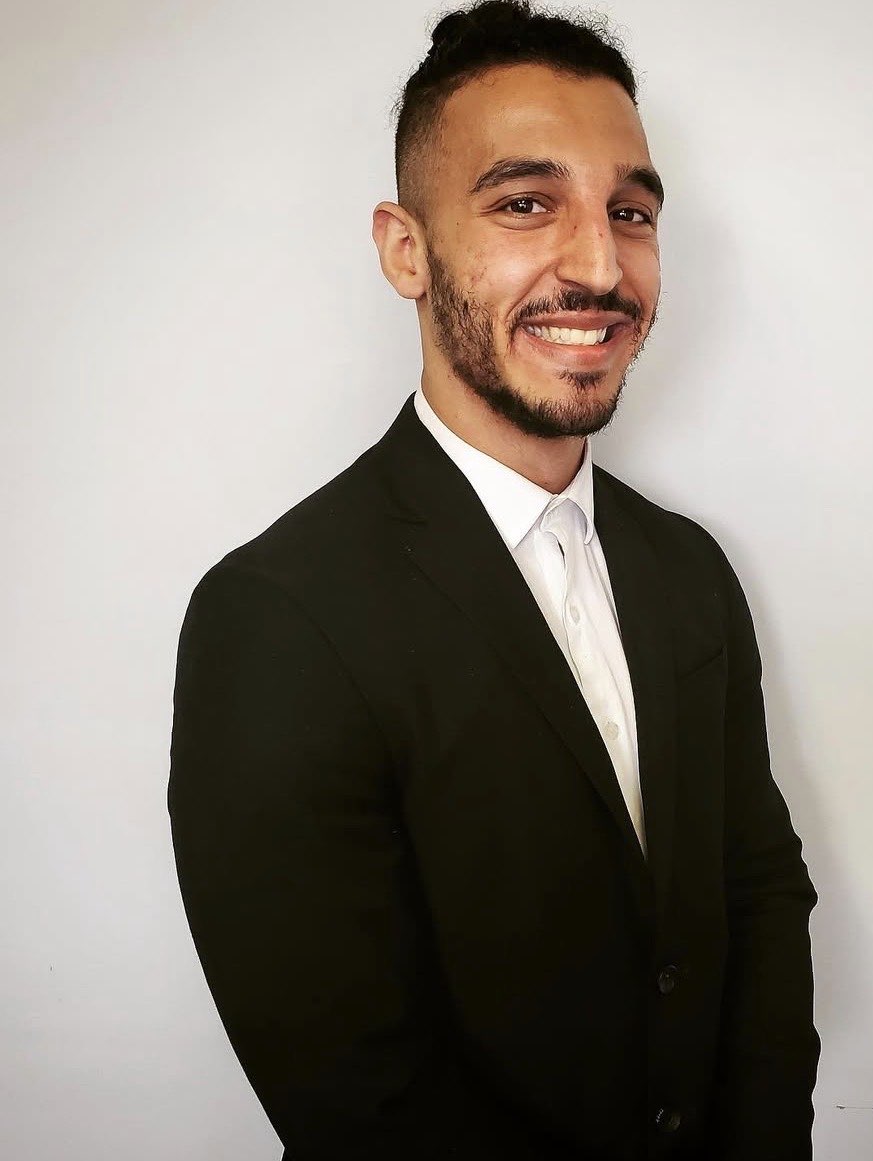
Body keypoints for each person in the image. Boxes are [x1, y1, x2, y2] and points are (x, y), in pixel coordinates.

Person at [168, 2, 819, 1158]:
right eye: (527, 204)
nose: (600, 265)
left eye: (631, 211)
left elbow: (758, 893)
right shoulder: (273, 618)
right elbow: (356, 1093)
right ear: (405, 249)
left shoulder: (690, 570)